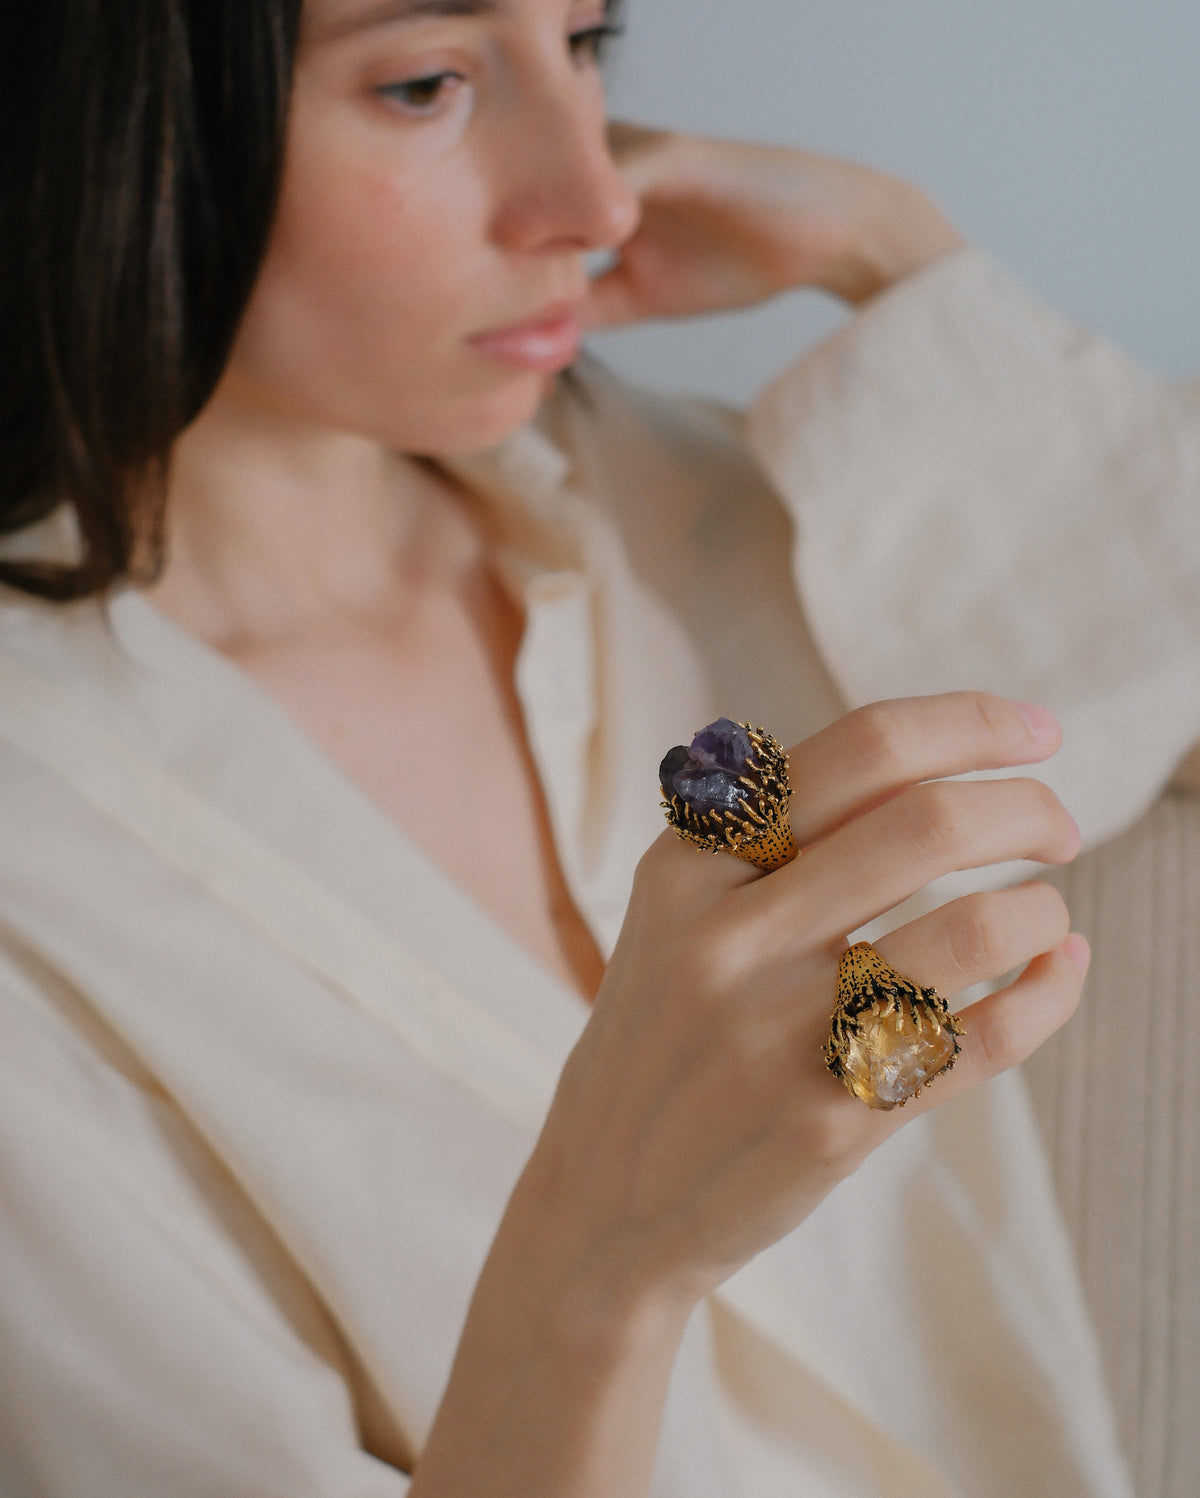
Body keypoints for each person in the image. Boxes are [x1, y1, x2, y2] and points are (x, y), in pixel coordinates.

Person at [0, 2, 1197, 1495]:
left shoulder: (709, 506)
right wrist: (606, 1266)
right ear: (116, 112)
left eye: (586, 41)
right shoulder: (40, 862)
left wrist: (888, 255)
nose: (597, 197)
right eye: (427, 82)